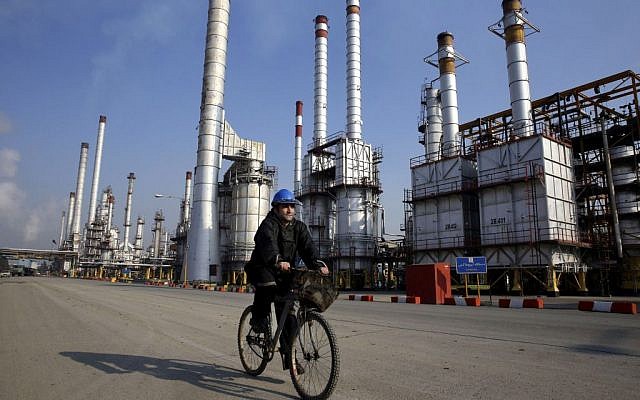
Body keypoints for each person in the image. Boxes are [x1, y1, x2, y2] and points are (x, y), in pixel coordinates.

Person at [244, 188, 329, 373]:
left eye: (292, 206)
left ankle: (289, 356)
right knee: (268, 286)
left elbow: (308, 248)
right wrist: (277, 259)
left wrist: (318, 264)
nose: (289, 210)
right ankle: (258, 320)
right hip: (263, 267)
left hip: (285, 272)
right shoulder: (269, 224)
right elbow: (267, 242)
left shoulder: (299, 227)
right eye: (285, 206)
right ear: (276, 208)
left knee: (289, 314)